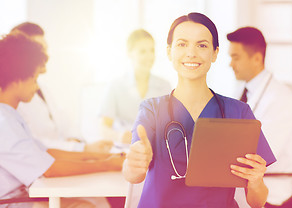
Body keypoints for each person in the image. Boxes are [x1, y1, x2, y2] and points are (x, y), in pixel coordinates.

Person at [123, 13, 276, 208]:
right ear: (169, 52)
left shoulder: (238, 112)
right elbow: (133, 175)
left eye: (202, 45)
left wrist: (255, 181)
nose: (191, 53)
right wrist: (133, 163)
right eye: (182, 44)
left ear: (215, 53)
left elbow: (257, 201)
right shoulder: (152, 110)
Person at [0, 32, 124, 208]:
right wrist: (106, 164)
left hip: (25, 196)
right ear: (19, 79)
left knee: (97, 201)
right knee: (89, 205)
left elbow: (47, 153)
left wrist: (101, 156)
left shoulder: (10, 116)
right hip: (13, 202)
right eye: (35, 79)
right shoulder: (4, 123)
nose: (36, 87)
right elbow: (49, 169)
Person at [227, 27, 292, 206]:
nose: (230, 64)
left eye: (235, 57)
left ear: (257, 59)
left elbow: (260, 155)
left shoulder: (280, 99)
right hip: (248, 176)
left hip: (274, 182)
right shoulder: (243, 89)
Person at [11, 22, 112, 153]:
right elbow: (31, 142)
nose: (45, 56)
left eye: (45, 49)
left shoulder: (43, 89)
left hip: (59, 157)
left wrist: (75, 140)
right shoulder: (13, 96)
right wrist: (81, 148)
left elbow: (64, 122)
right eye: (39, 49)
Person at [99, 29, 171, 144]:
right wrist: (119, 136)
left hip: (155, 151)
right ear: (129, 53)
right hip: (123, 150)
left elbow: (169, 126)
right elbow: (103, 128)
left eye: (152, 50)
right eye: (142, 51)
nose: (149, 56)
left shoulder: (164, 86)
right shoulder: (115, 86)